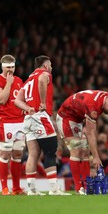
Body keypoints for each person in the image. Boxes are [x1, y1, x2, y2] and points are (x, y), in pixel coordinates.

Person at [15, 55, 70, 196]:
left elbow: (17, 101)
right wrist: (43, 102)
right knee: (51, 151)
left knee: (33, 154)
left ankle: (31, 189)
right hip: (40, 116)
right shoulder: (44, 74)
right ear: (45, 65)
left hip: (28, 118)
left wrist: (27, 108)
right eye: (50, 65)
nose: (51, 67)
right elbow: (41, 81)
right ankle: (53, 188)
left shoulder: (28, 80)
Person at [56, 90, 108, 194]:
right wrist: (96, 157)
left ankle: (86, 185)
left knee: (85, 151)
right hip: (66, 117)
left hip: (78, 118)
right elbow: (91, 133)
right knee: (76, 150)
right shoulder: (93, 106)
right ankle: (78, 188)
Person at [0, 54, 25, 195]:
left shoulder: (19, 80)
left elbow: (22, 99)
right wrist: (9, 83)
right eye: (8, 67)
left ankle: (16, 188)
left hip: (20, 122)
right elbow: (1, 99)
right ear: (2, 67)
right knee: (5, 154)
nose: (11, 70)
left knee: (18, 154)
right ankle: (4, 188)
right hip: (5, 122)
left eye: (13, 67)